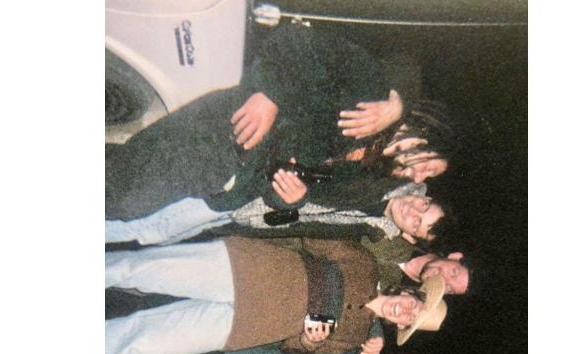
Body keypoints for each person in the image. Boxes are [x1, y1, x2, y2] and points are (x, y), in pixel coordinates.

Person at [106, 23, 455, 222]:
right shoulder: (373, 93)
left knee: (121, 187)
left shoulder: (366, 180)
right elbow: (298, 41)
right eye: (430, 167)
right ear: (423, 135)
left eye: (427, 178)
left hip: (228, 182)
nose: (419, 179)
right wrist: (270, 93)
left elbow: (283, 197)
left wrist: (293, 198)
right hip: (224, 131)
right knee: (125, 198)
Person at [105, 238, 448, 354]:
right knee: (139, 270)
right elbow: (312, 236)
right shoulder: (365, 264)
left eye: (410, 319)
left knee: (140, 342)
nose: (407, 311)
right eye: (414, 304)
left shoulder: (355, 337)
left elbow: (293, 352)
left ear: (399, 325)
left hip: (241, 328)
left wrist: (309, 342)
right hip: (243, 268)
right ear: (407, 291)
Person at [103, 183, 448, 247]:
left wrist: (258, 221)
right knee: (153, 227)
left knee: (163, 232)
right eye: (424, 207)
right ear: (425, 195)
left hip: (245, 215)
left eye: (418, 224)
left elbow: (305, 221)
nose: (413, 211)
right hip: (245, 189)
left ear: (410, 236)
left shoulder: (371, 229)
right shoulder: (380, 173)